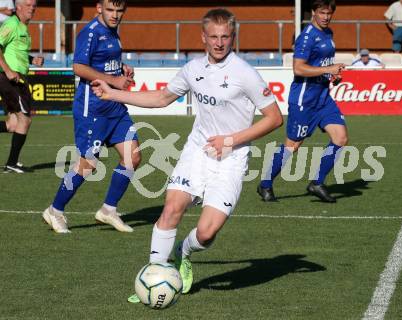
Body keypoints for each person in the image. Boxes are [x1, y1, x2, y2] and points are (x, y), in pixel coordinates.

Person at [92, 8, 283, 295]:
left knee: (206, 233)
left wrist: (230, 141)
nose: (219, 43)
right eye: (213, 37)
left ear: (233, 37)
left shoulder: (245, 74)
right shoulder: (193, 70)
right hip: (197, 152)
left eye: (225, 37)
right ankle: (153, 279)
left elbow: (274, 118)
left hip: (231, 160)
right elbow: (160, 98)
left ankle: (183, 252)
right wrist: (112, 93)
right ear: (203, 37)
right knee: (171, 209)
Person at [42, 0, 139, 234]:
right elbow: (79, 67)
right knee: (87, 165)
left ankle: (108, 210)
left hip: (114, 107)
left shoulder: (112, 31)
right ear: (99, 8)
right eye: (110, 10)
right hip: (92, 109)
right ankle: (54, 210)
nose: (115, 15)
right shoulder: (90, 32)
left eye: (119, 10)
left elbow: (104, 61)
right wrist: (114, 80)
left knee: (133, 157)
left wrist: (121, 68)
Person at [257, 0, 347, 203]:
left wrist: (332, 73)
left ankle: (317, 182)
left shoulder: (328, 33)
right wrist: (327, 69)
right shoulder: (306, 38)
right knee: (292, 146)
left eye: (329, 13)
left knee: (340, 138)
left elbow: (321, 63)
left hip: (323, 98)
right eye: (322, 12)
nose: (326, 17)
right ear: (313, 12)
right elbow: (298, 68)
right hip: (303, 101)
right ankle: (265, 184)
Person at [0, 0, 44, 173]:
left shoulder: (22, 27)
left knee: (13, 124)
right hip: (9, 78)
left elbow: (17, 52)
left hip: (18, 79)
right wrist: (9, 71)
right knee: (24, 120)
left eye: (34, 5)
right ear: (17, 7)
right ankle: (11, 163)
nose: (32, 8)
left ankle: (12, 163)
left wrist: (33, 60)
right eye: (28, 5)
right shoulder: (11, 24)